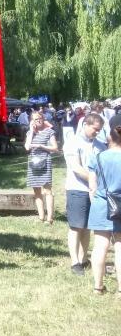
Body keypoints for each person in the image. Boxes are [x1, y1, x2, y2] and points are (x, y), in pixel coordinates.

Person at [63, 113, 105, 274]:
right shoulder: (72, 142)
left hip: (95, 191)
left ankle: (83, 258)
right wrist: (94, 181)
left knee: (87, 227)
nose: (97, 132)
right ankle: (75, 262)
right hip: (77, 189)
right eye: (95, 129)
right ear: (85, 124)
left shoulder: (100, 145)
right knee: (76, 227)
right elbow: (76, 167)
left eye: (99, 130)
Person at [86, 113, 121, 295]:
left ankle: (98, 287)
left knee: (100, 246)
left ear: (110, 135)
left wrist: (96, 202)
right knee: (120, 247)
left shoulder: (98, 157)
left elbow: (92, 186)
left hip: (101, 204)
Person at [25, 112, 58, 224]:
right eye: (35, 119)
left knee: (47, 190)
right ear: (32, 121)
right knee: (36, 191)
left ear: (43, 118)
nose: (38, 120)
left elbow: (55, 148)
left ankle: (50, 218)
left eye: (40, 118)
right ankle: (41, 217)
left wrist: (41, 146)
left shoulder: (49, 132)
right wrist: (31, 131)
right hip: (33, 163)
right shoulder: (30, 133)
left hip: (45, 161)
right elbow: (27, 147)